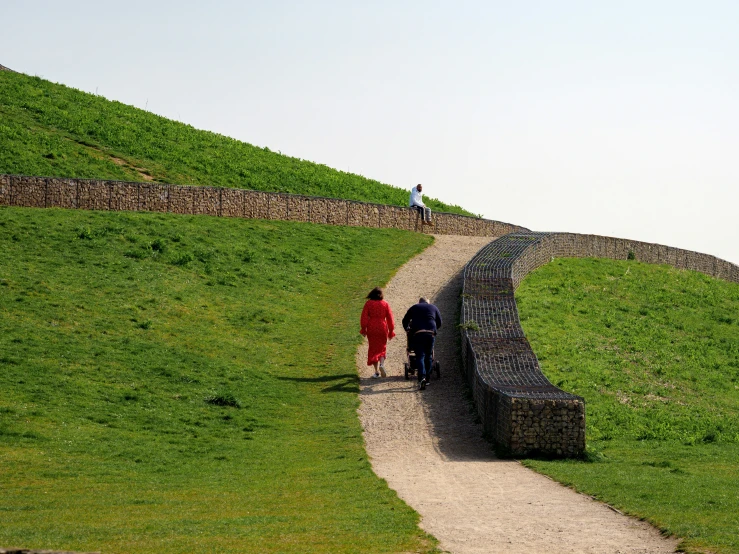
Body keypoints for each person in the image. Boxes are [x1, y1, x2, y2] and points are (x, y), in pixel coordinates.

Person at [402, 297, 442, 390]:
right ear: (428, 303)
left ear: (419, 302)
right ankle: (427, 379)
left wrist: (407, 329)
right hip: (430, 333)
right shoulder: (434, 307)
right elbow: (439, 322)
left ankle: (422, 378)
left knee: (420, 356)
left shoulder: (414, 307)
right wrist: (434, 330)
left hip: (418, 333)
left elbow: (405, 321)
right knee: (428, 355)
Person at [360, 287, 396, 378]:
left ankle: (376, 372)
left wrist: (364, 329)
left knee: (373, 348)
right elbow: (390, 319)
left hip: (372, 327)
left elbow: (364, 318)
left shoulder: (368, 304)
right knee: (382, 347)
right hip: (382, 326)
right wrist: (391, 331)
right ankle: (382, 365)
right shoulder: (385, 304)